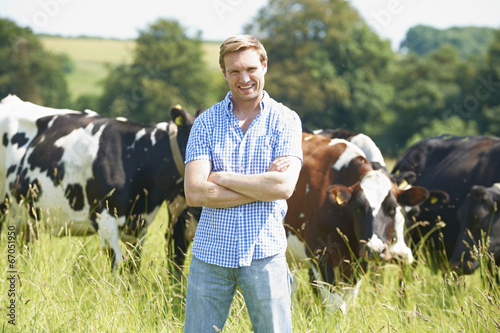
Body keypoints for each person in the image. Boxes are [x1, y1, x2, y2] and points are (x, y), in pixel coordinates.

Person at [183, 34, 303, 332]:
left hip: (266, 254)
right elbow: (194, 192)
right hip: (210, 256)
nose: (244, 78)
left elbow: (283, 188)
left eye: (250, 68)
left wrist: (220, 177)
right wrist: (262, 188)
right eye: (234, 71)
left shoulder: (286, 121)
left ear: (264, 65)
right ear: (224, 73)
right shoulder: (205, 123)